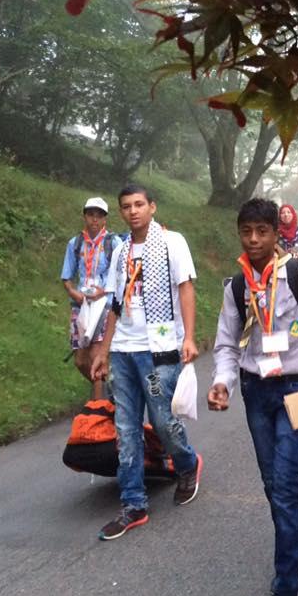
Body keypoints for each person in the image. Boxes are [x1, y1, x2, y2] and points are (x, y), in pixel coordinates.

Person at [208, 198, 298, 596]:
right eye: (246, 231)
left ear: (275, 234)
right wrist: (222, 382)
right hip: (256, 393)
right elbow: (226, 344)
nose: (253, 239)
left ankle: (286, 584)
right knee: (272, 483)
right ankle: (296, 549)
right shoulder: (236, 287)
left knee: (285, 483)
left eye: (262, 231)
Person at [90, 184, 203, 541]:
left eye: (139, 204)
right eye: (126, 206)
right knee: (126, 428)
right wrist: (103, 350)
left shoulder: (172, 243)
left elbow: (185, 288)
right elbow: (115, 303)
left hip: (158, 351)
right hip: (123, 351)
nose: (133, 211)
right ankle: (133, 503)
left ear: (152, 207)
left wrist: (188, 337)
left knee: (162, 418)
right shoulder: (120, 250)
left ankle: (187, 463)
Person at [60, 197, 123, 400]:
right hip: (81, 306)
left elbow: (123, 277)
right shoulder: (75, 243)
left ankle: (98, 409)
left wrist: (103, 292)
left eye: (99, 216)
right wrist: (73, 292)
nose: (94, 219)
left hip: (104, 306)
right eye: (91, 215)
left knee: (96, 356)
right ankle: (110, 393)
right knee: (80, 360)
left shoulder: (114, 243)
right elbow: (66, 277)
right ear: (84, 216)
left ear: (105, 219)